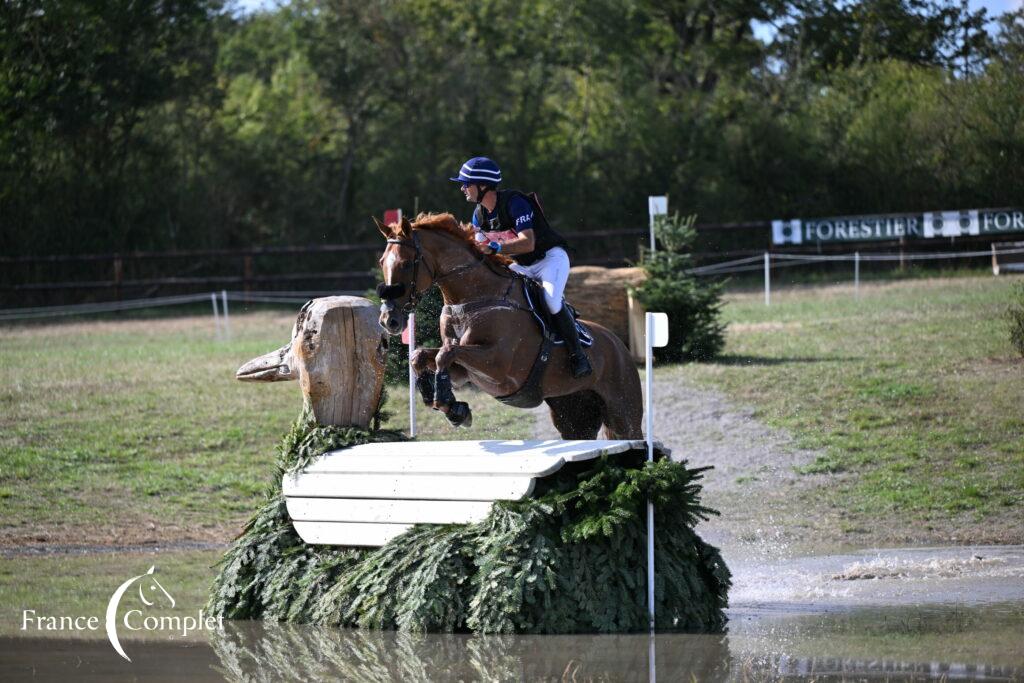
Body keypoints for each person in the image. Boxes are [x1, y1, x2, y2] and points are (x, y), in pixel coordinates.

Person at [450, 156, 592, 378]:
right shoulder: (478, 216)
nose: (462, 188)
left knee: (551, 301)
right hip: (521, 265)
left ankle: (578, 355)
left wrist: (495, 247)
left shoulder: (515, 203)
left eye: (466, 183)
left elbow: (528, 242)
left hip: (549, 259)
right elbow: (480, 250)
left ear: (482, 185)